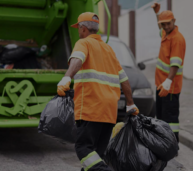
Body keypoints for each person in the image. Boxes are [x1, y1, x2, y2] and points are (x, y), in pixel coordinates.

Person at [57, 12, 139, 171]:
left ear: (83, 28)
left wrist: (67, 77)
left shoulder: (84, 43)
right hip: (109, 111)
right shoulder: (109, 50)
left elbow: (77, 60)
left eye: (79, 28)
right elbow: (124, 79)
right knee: (96, 156)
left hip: (90, 107)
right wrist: (130, 103)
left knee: (83, 148)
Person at [151, 3, 186, 143]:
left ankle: (172, 145)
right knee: (161, 116)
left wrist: (167, 82)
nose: (165, 27)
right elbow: (160, 28)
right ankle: (163, 142)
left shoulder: (177, 39)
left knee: (170, 118)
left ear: (174, 21)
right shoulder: (166, 34)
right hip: (161, 84)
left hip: (170, 87)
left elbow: (175, 64)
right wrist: (157, 13)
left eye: (168, 24)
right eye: (163, 24)